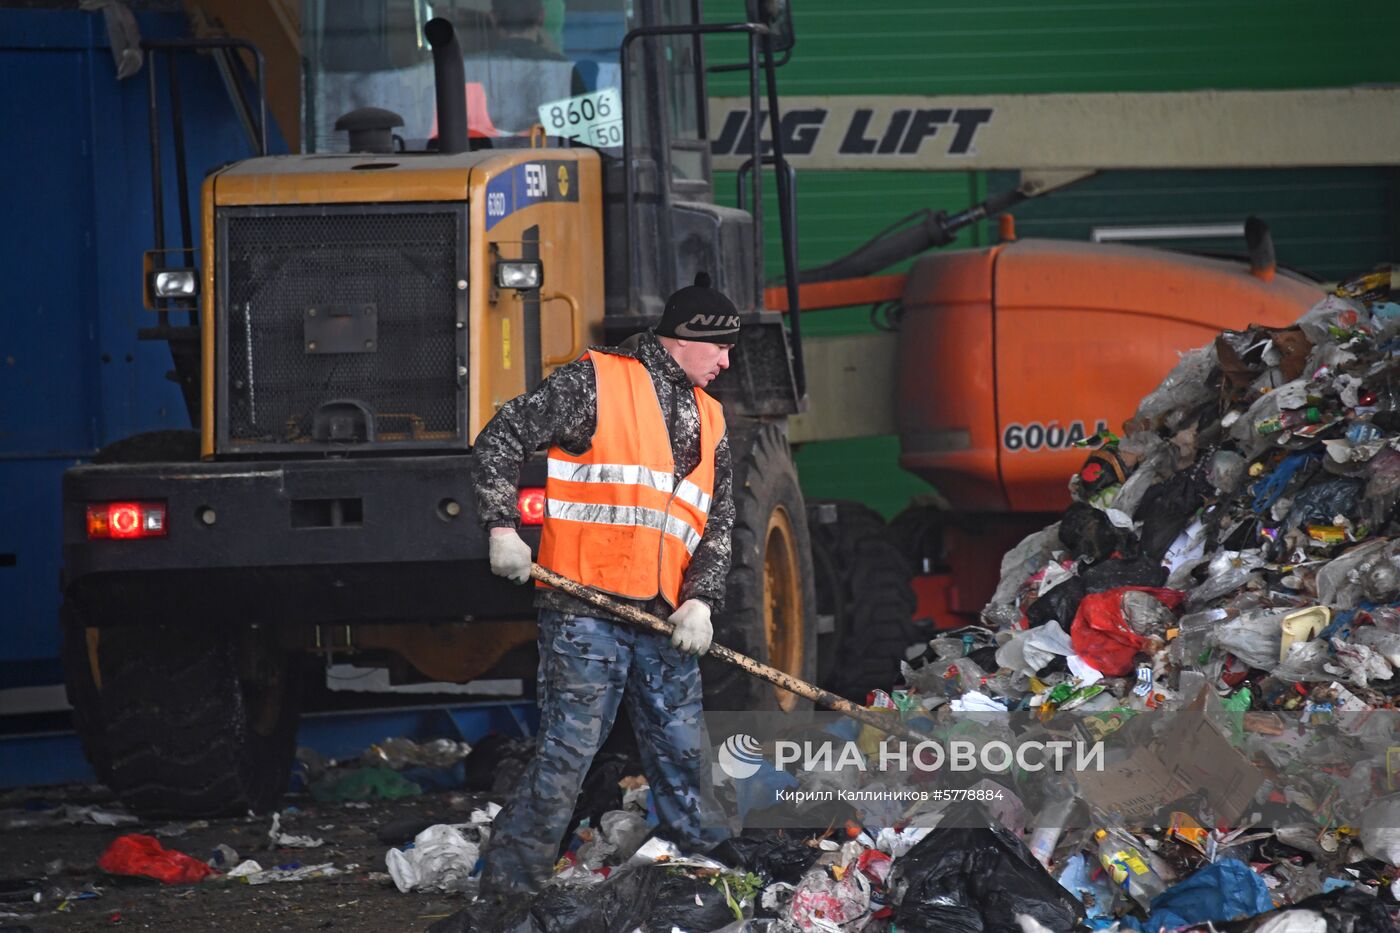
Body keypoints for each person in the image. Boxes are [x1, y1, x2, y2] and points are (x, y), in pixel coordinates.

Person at [471, 272, 742, 896]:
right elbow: (502, 436)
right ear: (683, 338)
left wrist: (701, 600)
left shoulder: (712, 418)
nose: (726, 362)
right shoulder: (597, 380)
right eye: (720, 347)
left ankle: (701, 881)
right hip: (582, 607)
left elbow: (716, 522)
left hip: (663, 617)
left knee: (683, 757)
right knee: (568, 755)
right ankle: (509, 893)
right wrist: (500, 527)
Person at [467, 0, 585, 134]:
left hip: (484, 154)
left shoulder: (467, 70)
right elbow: (586, 135)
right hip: (552, 153)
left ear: (493, 18)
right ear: (542, 16)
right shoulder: (565, 71)